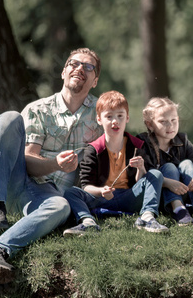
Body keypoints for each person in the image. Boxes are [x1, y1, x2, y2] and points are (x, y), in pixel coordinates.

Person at [0, 48, 104, 284]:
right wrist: (55, 164)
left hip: (55, 199)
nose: (80, 68)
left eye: (88, 67)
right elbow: (28, 162)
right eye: (74, 63)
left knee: (60, 206)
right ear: (63, 72)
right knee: (9, 118)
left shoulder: (101, 114)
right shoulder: (39, 110)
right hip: (21, 184)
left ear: (95, 81)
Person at [63, 90, 169, 234]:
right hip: (101, 198)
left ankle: (147, 218)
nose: (115, 121)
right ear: (99, 119)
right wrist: (101, 191)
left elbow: (141, 182)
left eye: (120, 116)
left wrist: (141, 169)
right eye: (109, 116)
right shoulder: (93, 149)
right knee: (71, 192)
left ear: (127, 118)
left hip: (129, 196)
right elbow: (86, 186)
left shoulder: (137, 145)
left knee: (155, 174)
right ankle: (88, 222)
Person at [137, 97, 193, 226]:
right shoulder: (143, 143)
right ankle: (178, 208)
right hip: (161, 196)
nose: (170, 126)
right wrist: (167, 183)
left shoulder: (182, 139)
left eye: (173, 120)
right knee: (169, 167)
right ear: (150, 124)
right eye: (163, 122)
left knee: (187, 163)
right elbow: (146, 175)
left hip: (185, 189)